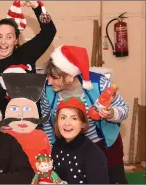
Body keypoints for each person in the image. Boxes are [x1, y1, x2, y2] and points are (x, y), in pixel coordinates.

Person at [40, 45, 129, 183]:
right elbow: (47, 123)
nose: (49, 81)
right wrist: (51, 150)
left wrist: (111, 113)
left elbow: (124, 109)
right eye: (48, 76)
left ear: (70, 75)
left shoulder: (98, 83)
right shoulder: (48, 89)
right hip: (69, 147)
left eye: (54, 77)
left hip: (103, 145)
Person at [0, 1, 56, 115]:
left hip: (32, 125)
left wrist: (37, 7)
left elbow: (49, 31)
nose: (3, 42)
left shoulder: (25, 54)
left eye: (9, 37)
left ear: (16, 40)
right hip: (4, 129)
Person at [51, 97, 109, 184]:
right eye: (63, 118)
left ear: (83, 123)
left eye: (74, 118)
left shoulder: (93, 155)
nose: (67, 123)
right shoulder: (57, 146)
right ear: (57, 122)